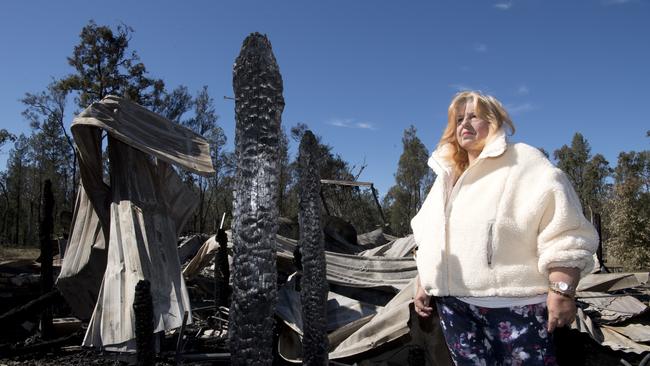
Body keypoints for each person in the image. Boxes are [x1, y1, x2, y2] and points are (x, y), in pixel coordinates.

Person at [412, 91, 598, 365]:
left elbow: (565, 230)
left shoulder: (524, 163)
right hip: (455, 309)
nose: (464, 124)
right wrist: (424, 283)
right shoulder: (446, 177)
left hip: (515, 307)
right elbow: (428, 237)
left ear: (495, 121)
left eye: (474, 116)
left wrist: (562, 290)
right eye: (459, 118)